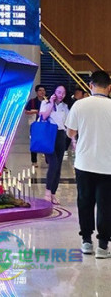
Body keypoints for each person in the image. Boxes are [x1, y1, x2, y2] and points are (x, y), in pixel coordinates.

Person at [66, 70, 111, 259]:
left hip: (84, 163)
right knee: (106, 205)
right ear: (109, 87)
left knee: (85, 202)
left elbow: (70, 132)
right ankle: (103, 246)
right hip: (108, 165)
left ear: (90, 86)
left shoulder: (79, 105)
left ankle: (86, 241)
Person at [39, 85, 69, 205]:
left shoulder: (65, 107)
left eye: (63, 93)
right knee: (53, 164)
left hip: (61, 136)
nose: (61, 95)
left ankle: (53, 193)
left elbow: (67, 123)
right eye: (59, 92)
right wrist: (51, 103)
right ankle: (47, 191)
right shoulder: (45, 103)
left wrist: (72, 140)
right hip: (49, 135)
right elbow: (43, 116)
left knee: (58, 166)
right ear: (54, 92)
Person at [25, 84, 47, 167]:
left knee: (46, 141)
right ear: (36, 92)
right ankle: (34, 161)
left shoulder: (48, 101)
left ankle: (47, 158)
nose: (42, 92)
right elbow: (26, 111)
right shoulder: (32, 101)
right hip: (35, 124)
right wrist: (36, 111)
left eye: (43, 90)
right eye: (40, 90)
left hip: (45, 124)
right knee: (34, 142)